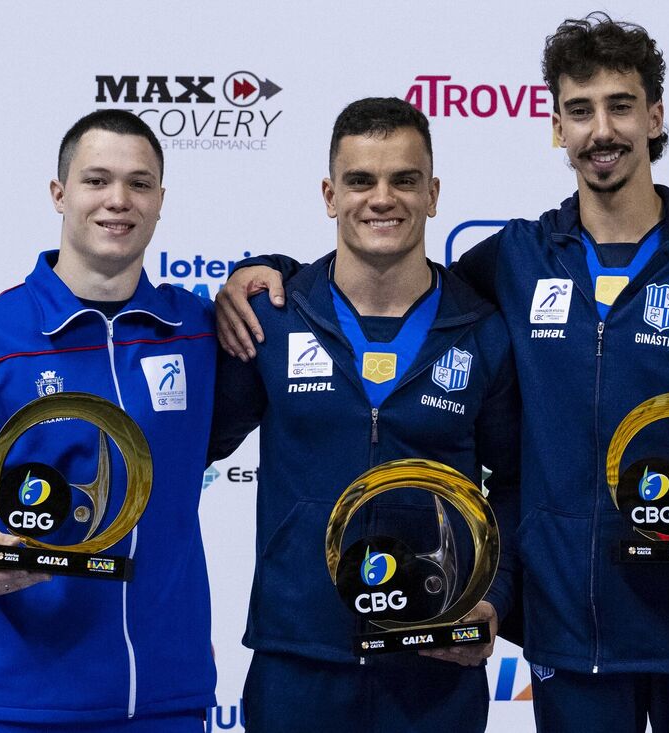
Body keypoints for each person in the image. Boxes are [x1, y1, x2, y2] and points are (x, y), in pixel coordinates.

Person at [214, 14, 669, 733]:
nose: (600, 129)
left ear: (655, 116)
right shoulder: (517, 260)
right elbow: (388, 273)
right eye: (579, 110)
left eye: (619, 105)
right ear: (557, 126)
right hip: (567, 635)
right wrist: (274, 274)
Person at [0, 110, 217, 732]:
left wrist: (261, 268)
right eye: (96, 180)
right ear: (59, 193)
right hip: (13, 702)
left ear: (161, 201)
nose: (118, 200)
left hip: (165, 702)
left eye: (139, 184)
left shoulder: (198, 330)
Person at [207, 97, 520, 733]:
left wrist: (495, 596)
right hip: (299, 661)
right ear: (329, 195)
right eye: (360, 181)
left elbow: (519, 485)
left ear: (432, 194)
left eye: (404, 180)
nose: (382, 198)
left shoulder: (484, 330)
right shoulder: (270, 318)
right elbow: (187, 446)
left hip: (433, 658)